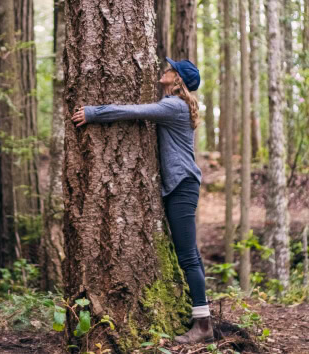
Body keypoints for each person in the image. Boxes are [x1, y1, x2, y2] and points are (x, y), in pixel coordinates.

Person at [70, 57, 213, 344]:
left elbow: (133, 111)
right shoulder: (177, 104)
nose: (166, 69)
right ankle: (202, 318)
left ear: (177, 80)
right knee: (189, 255)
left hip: (183, 186)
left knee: (188, 255)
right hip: (181, 186)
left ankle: (204, 326)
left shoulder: (173, 105)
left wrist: (94, 113)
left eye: (171, 69)